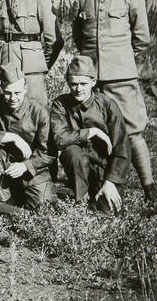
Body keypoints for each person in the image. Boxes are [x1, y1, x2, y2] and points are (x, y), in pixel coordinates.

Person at [72, 0, 156, 200]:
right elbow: (79, 38)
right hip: (92, 79)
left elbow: (142, 39)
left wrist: (121, 60)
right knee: (96, 130)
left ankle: (149, 186)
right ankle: (100, 184)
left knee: (131, 131)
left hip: (121, 77)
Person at [50, 56, 130, 213]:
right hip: (78, 166)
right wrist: (91, 132)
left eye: (83, 84)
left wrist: (110, 182)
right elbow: (59, 139)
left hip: (104, 167)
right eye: (73, 84)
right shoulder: (60, 104)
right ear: (67, 82)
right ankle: (81, 200)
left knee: (109, 212)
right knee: (72, 152)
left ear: (93, 82)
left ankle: (98, 189)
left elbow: (122, 146)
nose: (78, 89)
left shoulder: (107, 105)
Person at [0, 62, 55, 209]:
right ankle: (5, 203)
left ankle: (20, 194)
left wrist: (25, 165)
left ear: (25, 89)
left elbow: (48, 152)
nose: (12, 98)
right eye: (8, 93)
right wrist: (12, 137)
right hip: (1, 166)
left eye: (17, 93)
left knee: (43, 207)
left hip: (32, 169)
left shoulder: (40, 111)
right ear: (1, 89)